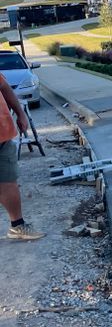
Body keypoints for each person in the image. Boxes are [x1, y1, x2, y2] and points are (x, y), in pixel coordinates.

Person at [0, 72, 44, 241]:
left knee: (8, 181)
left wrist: (21, 113)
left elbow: (4, 87)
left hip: (3, 135)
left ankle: (17, 226)